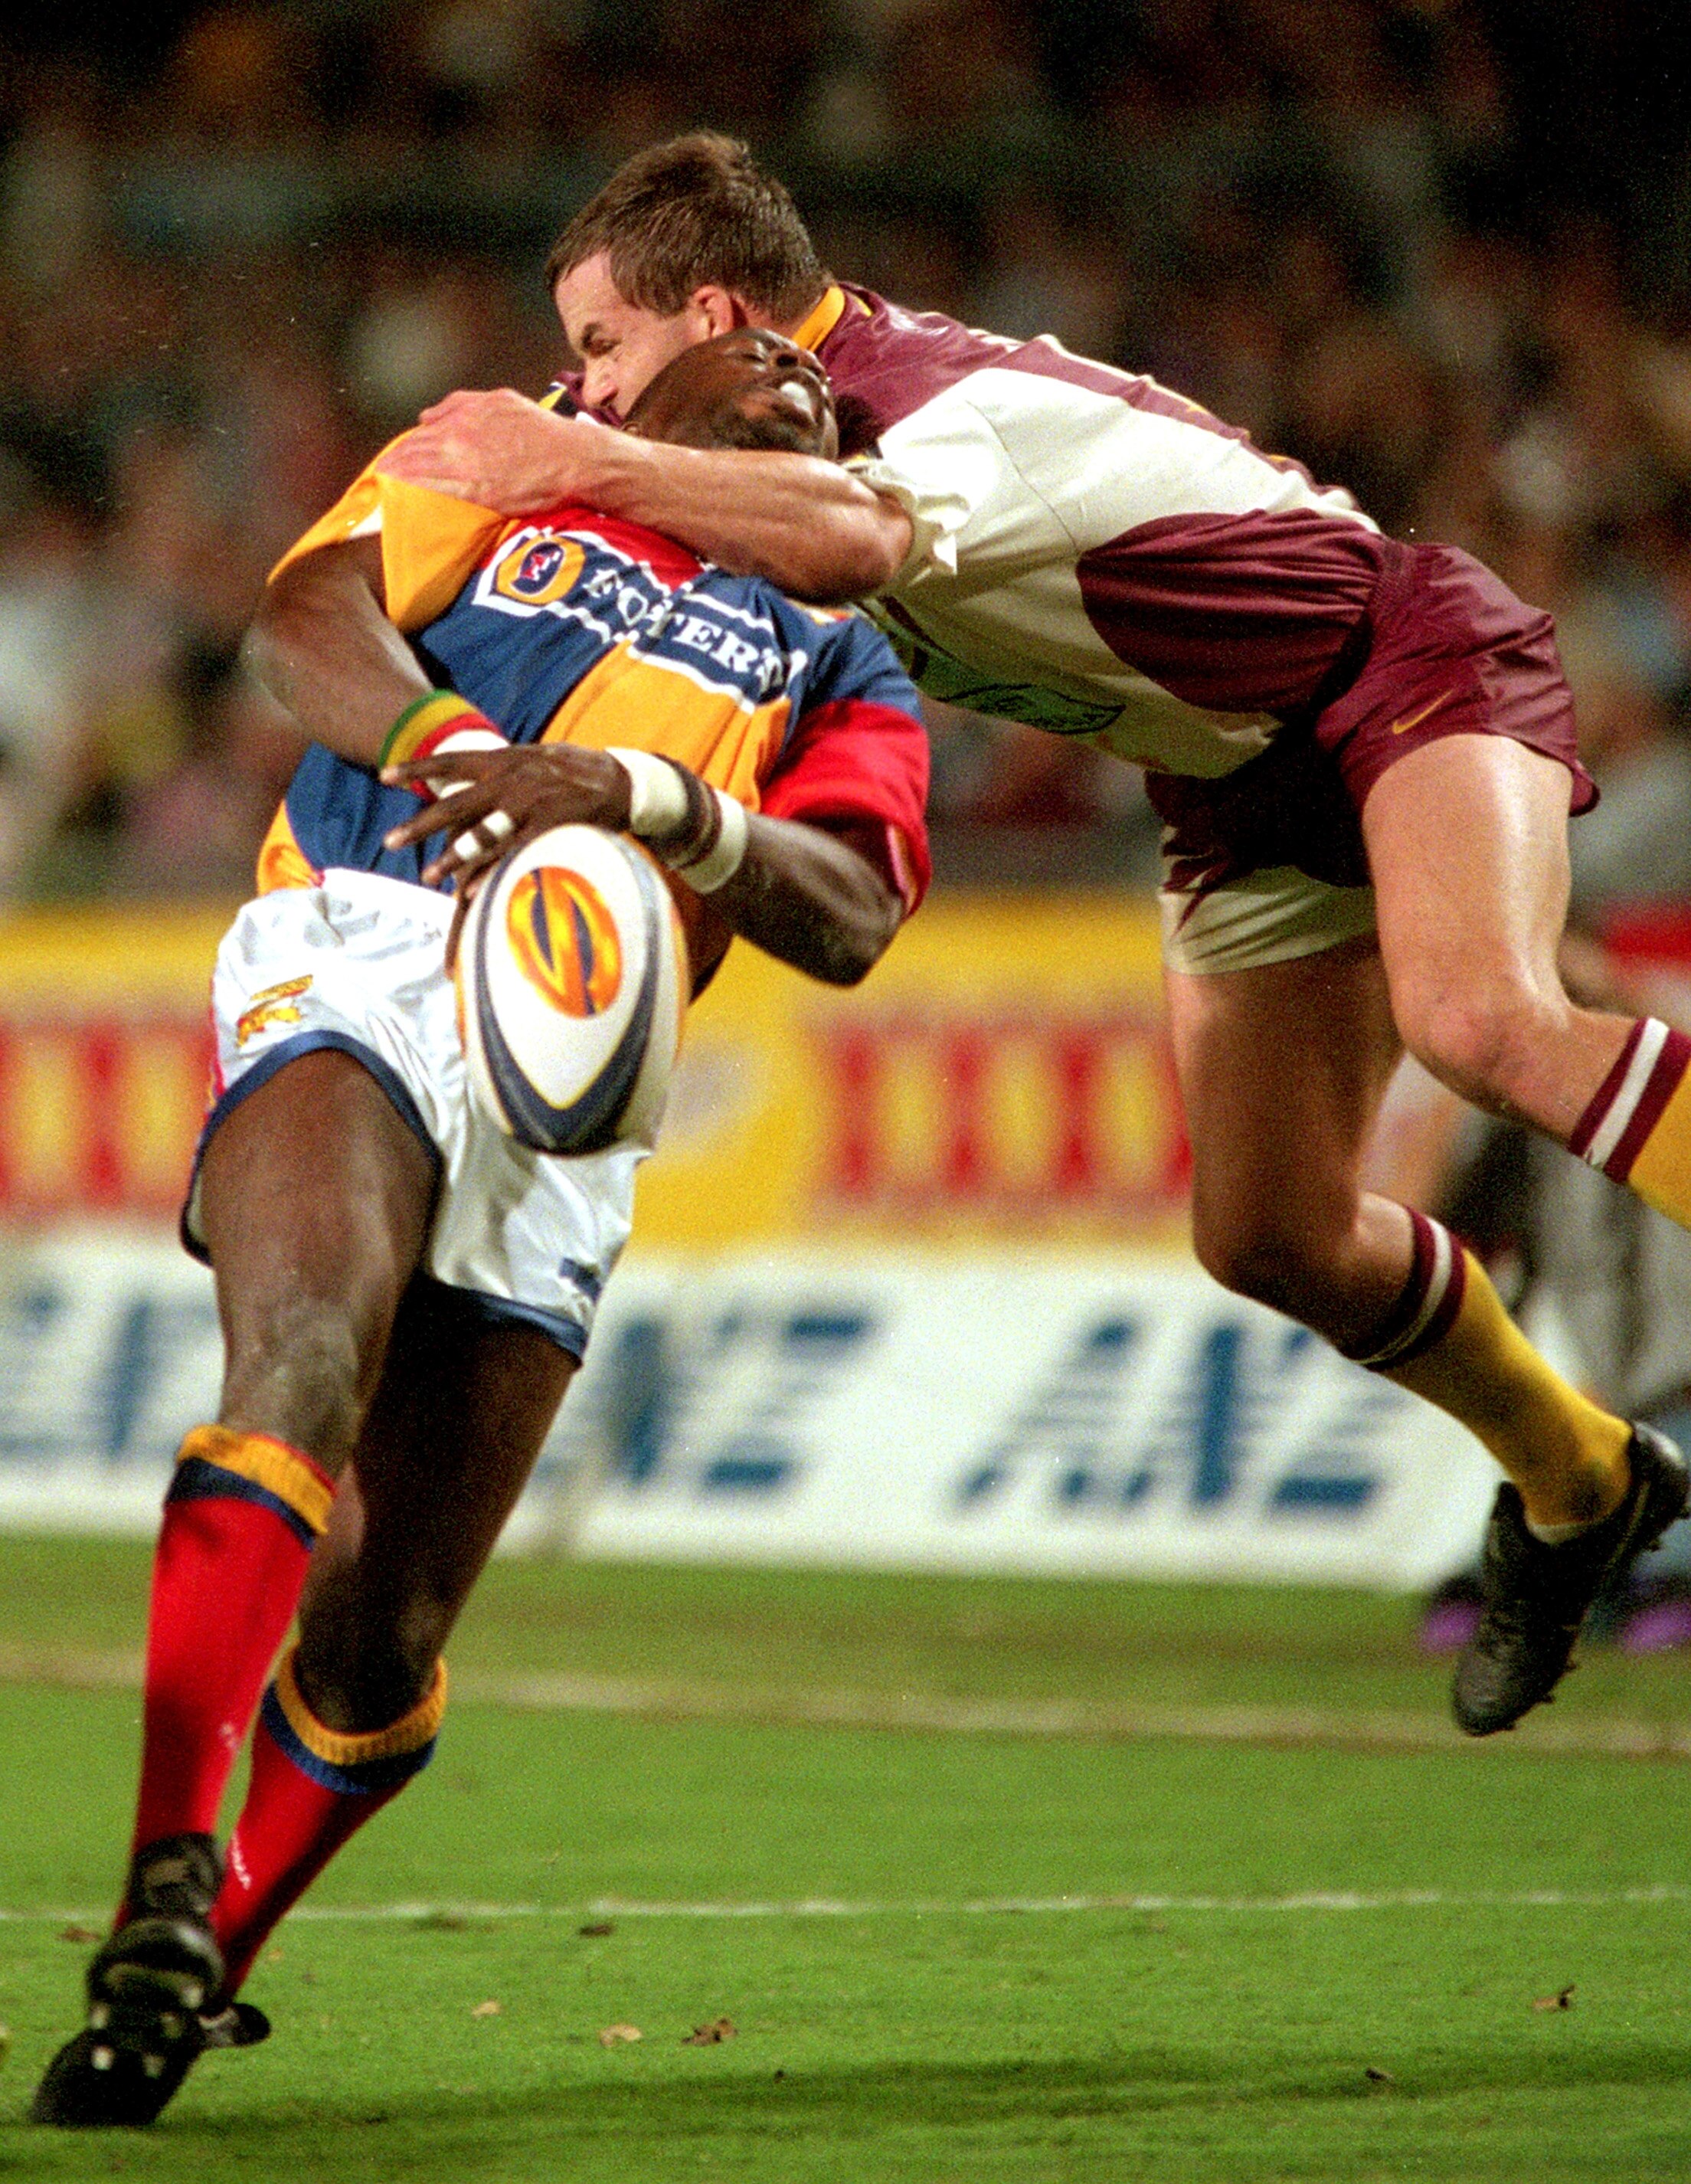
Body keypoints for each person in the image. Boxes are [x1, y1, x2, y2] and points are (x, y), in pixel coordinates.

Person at [378, 133, 1691, 1745]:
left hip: (1392, 661)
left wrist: (569, 463)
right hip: (1232, 785)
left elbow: (855, 544)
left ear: (716, 308)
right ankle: (1588, 1482)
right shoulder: (789, 433)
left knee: (1483, 1023)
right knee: (1267, 1231)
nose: (580, 394)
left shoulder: (939, 405)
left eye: (599, 348)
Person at [33, 329, 930, 2128]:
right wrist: (467, 750)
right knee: (300, 1356)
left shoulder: (848, 656)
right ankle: (154, 1882)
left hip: (582, 1064)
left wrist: (648, 803)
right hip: (367, 931)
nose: (797, 385)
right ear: (649, 378)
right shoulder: (510, 464)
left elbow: (849, 911)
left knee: (386, 1629)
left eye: (825, 397)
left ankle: (207, 1946)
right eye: (752, 355)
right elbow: (303, 628)